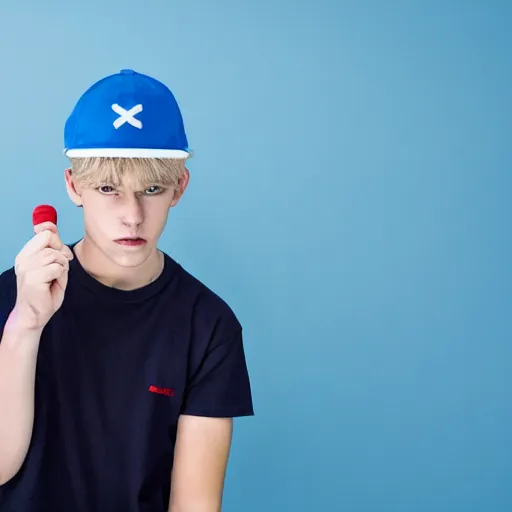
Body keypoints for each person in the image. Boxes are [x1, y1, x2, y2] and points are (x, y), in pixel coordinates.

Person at [0, 69, 254, 511]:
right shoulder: (11, 297)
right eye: (108, 189)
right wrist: (25, 325)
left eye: (151, 189)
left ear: (179, 188)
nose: (132, 215)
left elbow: (195, 504)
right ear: (73, 187)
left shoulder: (209, 325)